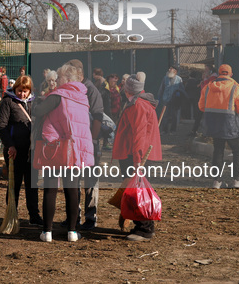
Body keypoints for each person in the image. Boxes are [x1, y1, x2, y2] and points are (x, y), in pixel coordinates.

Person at [33, 64, 94, 242]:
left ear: (67, 80)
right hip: (76, 151)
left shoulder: (58, 96)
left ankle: (47, 232)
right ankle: (73, 232)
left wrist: (38, 100)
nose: (56, 81)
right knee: (72, 190)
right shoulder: (83, 98)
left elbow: (37, 112)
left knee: (51, 189)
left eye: (59, 78)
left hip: (56, 149)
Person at [112, 72, 162, 241]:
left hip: (134, 155)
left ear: (128, 90)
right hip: (134, 154)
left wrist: (137, 161)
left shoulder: (138, 105)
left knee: (138, 190)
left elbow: (139, 135)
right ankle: (142, 225)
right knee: (136, 189)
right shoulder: (141, 102)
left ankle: (145, 228)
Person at [63, 59, 104, 231]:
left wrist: (92, 142)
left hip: (89, 143)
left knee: (90, 181)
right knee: (73, 180)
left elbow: (98, 117)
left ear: (78, 73)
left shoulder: (91, 91)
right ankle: (74, 216)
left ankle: (90, 218)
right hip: (74, 144)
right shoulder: (72, 88)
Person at [0, 75, 43, 227]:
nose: (22, 94)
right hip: (14, 151)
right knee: (14, 184)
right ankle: (12, 214)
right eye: (19, 90)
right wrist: (9, 145)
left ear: (29, 91)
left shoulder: (34, 103)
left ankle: (34, 215)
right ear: (14, 88)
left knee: (32, 184)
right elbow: (1, 126)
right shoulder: (7, 102)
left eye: (25, 91)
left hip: (31, 151)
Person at [199, 64, 239, 189]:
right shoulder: (235, 88)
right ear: (230, 74)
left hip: (214, 126)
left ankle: (217, 181)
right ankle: (237, 179)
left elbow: (201, 107)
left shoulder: (207, 88)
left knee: (218, 151)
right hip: (231, 125)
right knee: (238, 151)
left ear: (218, 73)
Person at [189, 65, 217, 136]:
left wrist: (205, 79)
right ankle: (194, 130)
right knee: (199, 116)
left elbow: (207, 87)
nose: (204, 72)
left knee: (204, 116)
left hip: (208, 100)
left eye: (206, 70)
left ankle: (206, 132)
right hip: (203, 99)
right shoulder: (208, 78)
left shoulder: (213, 77)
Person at [157, 66, 185, 135]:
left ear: (175, 71)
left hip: (174, 100)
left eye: (171, 69)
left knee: (174, 116)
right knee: (165, 115)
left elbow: (182, 89)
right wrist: (159, 97)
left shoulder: (179, 79)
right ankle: (164, 130)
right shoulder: (165, 78)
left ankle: (173, 130)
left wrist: (179, 93)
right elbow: (161, 88)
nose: (169, 70)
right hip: (166, 100)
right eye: (169, 68)